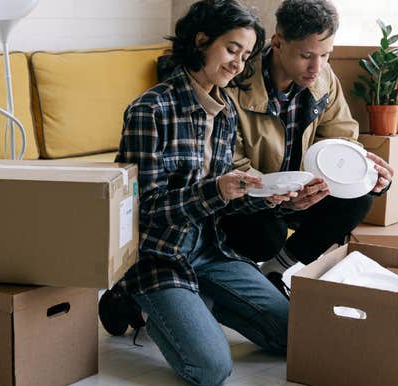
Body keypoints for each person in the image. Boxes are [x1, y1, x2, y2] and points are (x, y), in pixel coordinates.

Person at [99, 2, 293, 385]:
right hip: (158, 255)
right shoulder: (150, 110)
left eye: (246, 55)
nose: (239, 63)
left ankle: (199, 302)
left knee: (295, 333)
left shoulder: (224, 112)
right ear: (202, 40)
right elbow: (143, 209)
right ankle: (130, 298)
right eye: (232, 49)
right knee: (210, 369)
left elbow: (222, 200)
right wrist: (215, 191)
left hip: (210, 250)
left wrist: (265, 198)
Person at [219, 0, 395, 296]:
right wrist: (282, 196)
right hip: (251, 200)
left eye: (326, 54)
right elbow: (230, 166)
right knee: (267, 236)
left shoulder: (324, 78)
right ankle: (234, 275)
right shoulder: (236, 84)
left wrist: (362, 173)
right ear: (278, 43)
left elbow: (342, 139)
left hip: (303, 194)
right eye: (306, 55)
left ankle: (277, 268)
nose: (317, 67)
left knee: (361, 196)